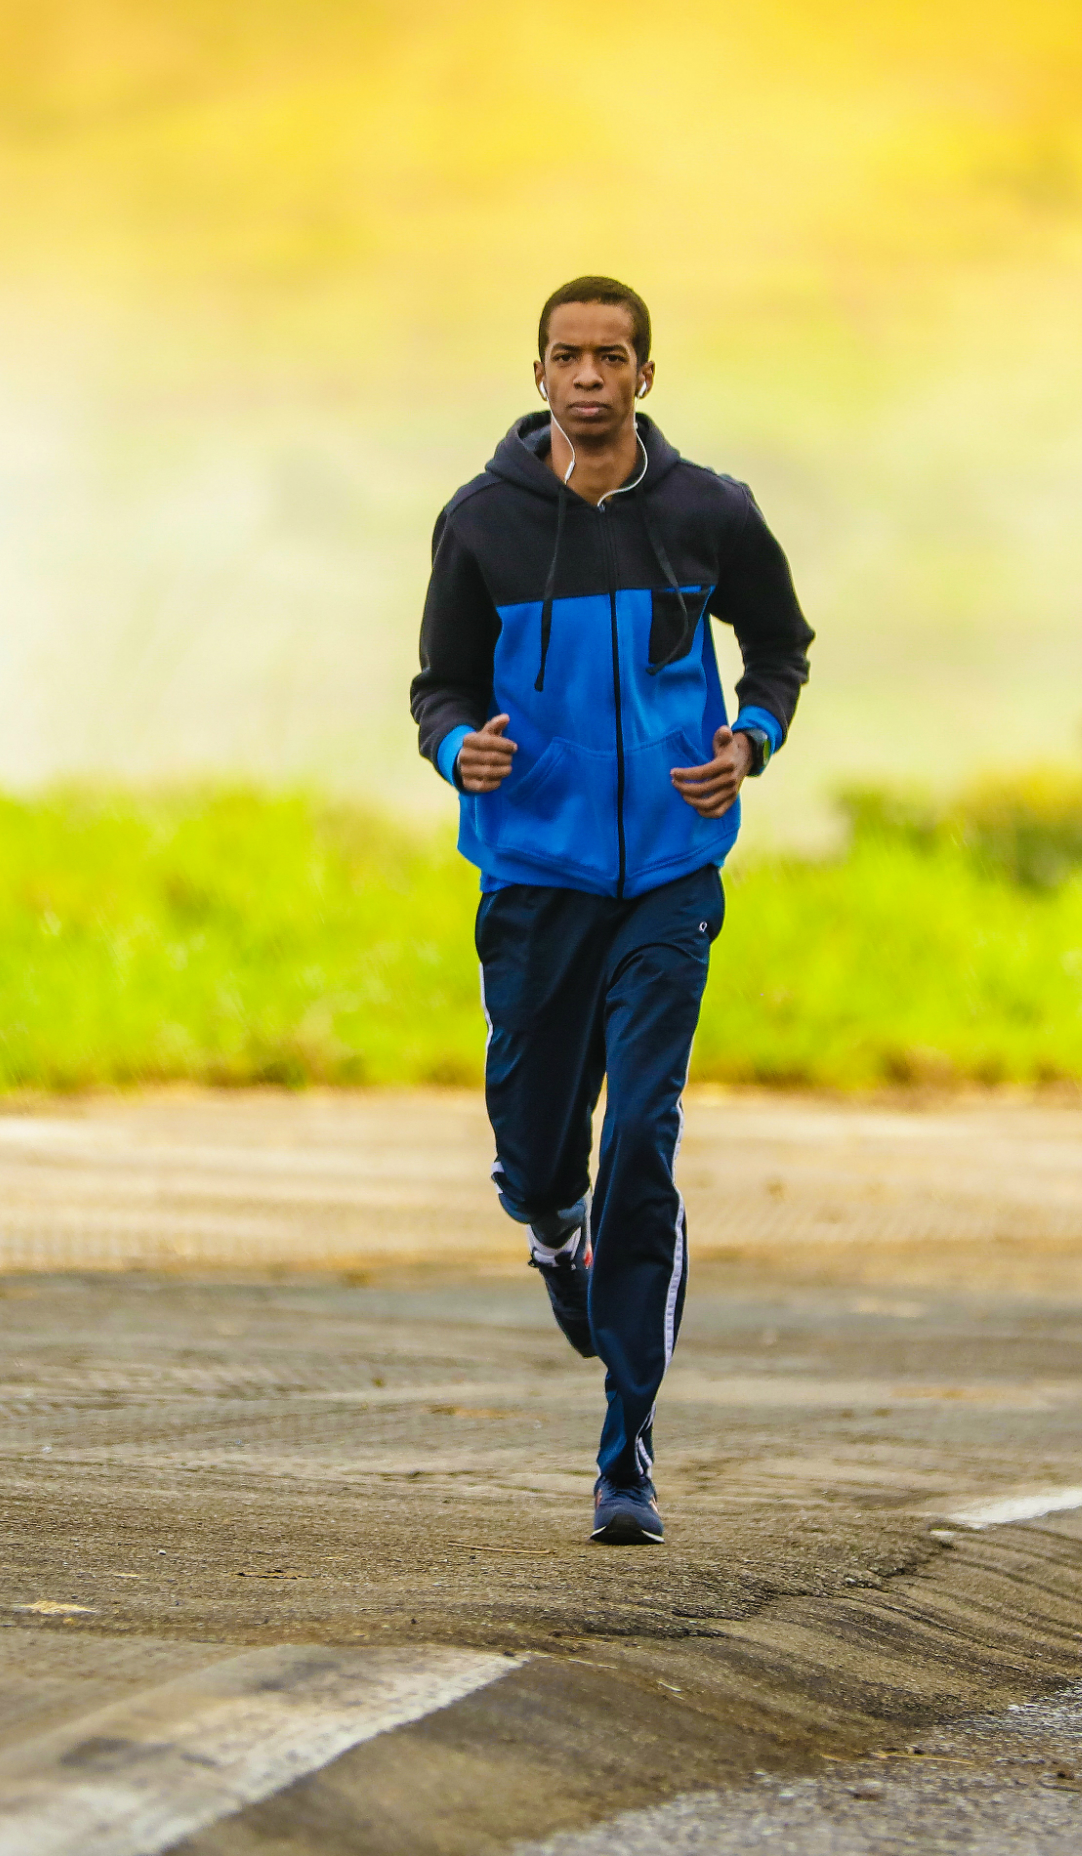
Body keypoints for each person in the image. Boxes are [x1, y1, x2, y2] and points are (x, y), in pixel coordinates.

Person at [407, 275, 814, 1546]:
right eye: (567, 358)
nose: (589, 376)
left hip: (671, 879)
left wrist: (749, 740)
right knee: (541, 1151)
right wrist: (455, 745)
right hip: (535, 876)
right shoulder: (481, 524)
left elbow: (784, 648)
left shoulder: (710, 513)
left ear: (647, 375)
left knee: (645, 1130)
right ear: (538, 377)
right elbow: (437, 685)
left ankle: (627, 1442)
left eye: (612, 357)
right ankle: (552, 1225)